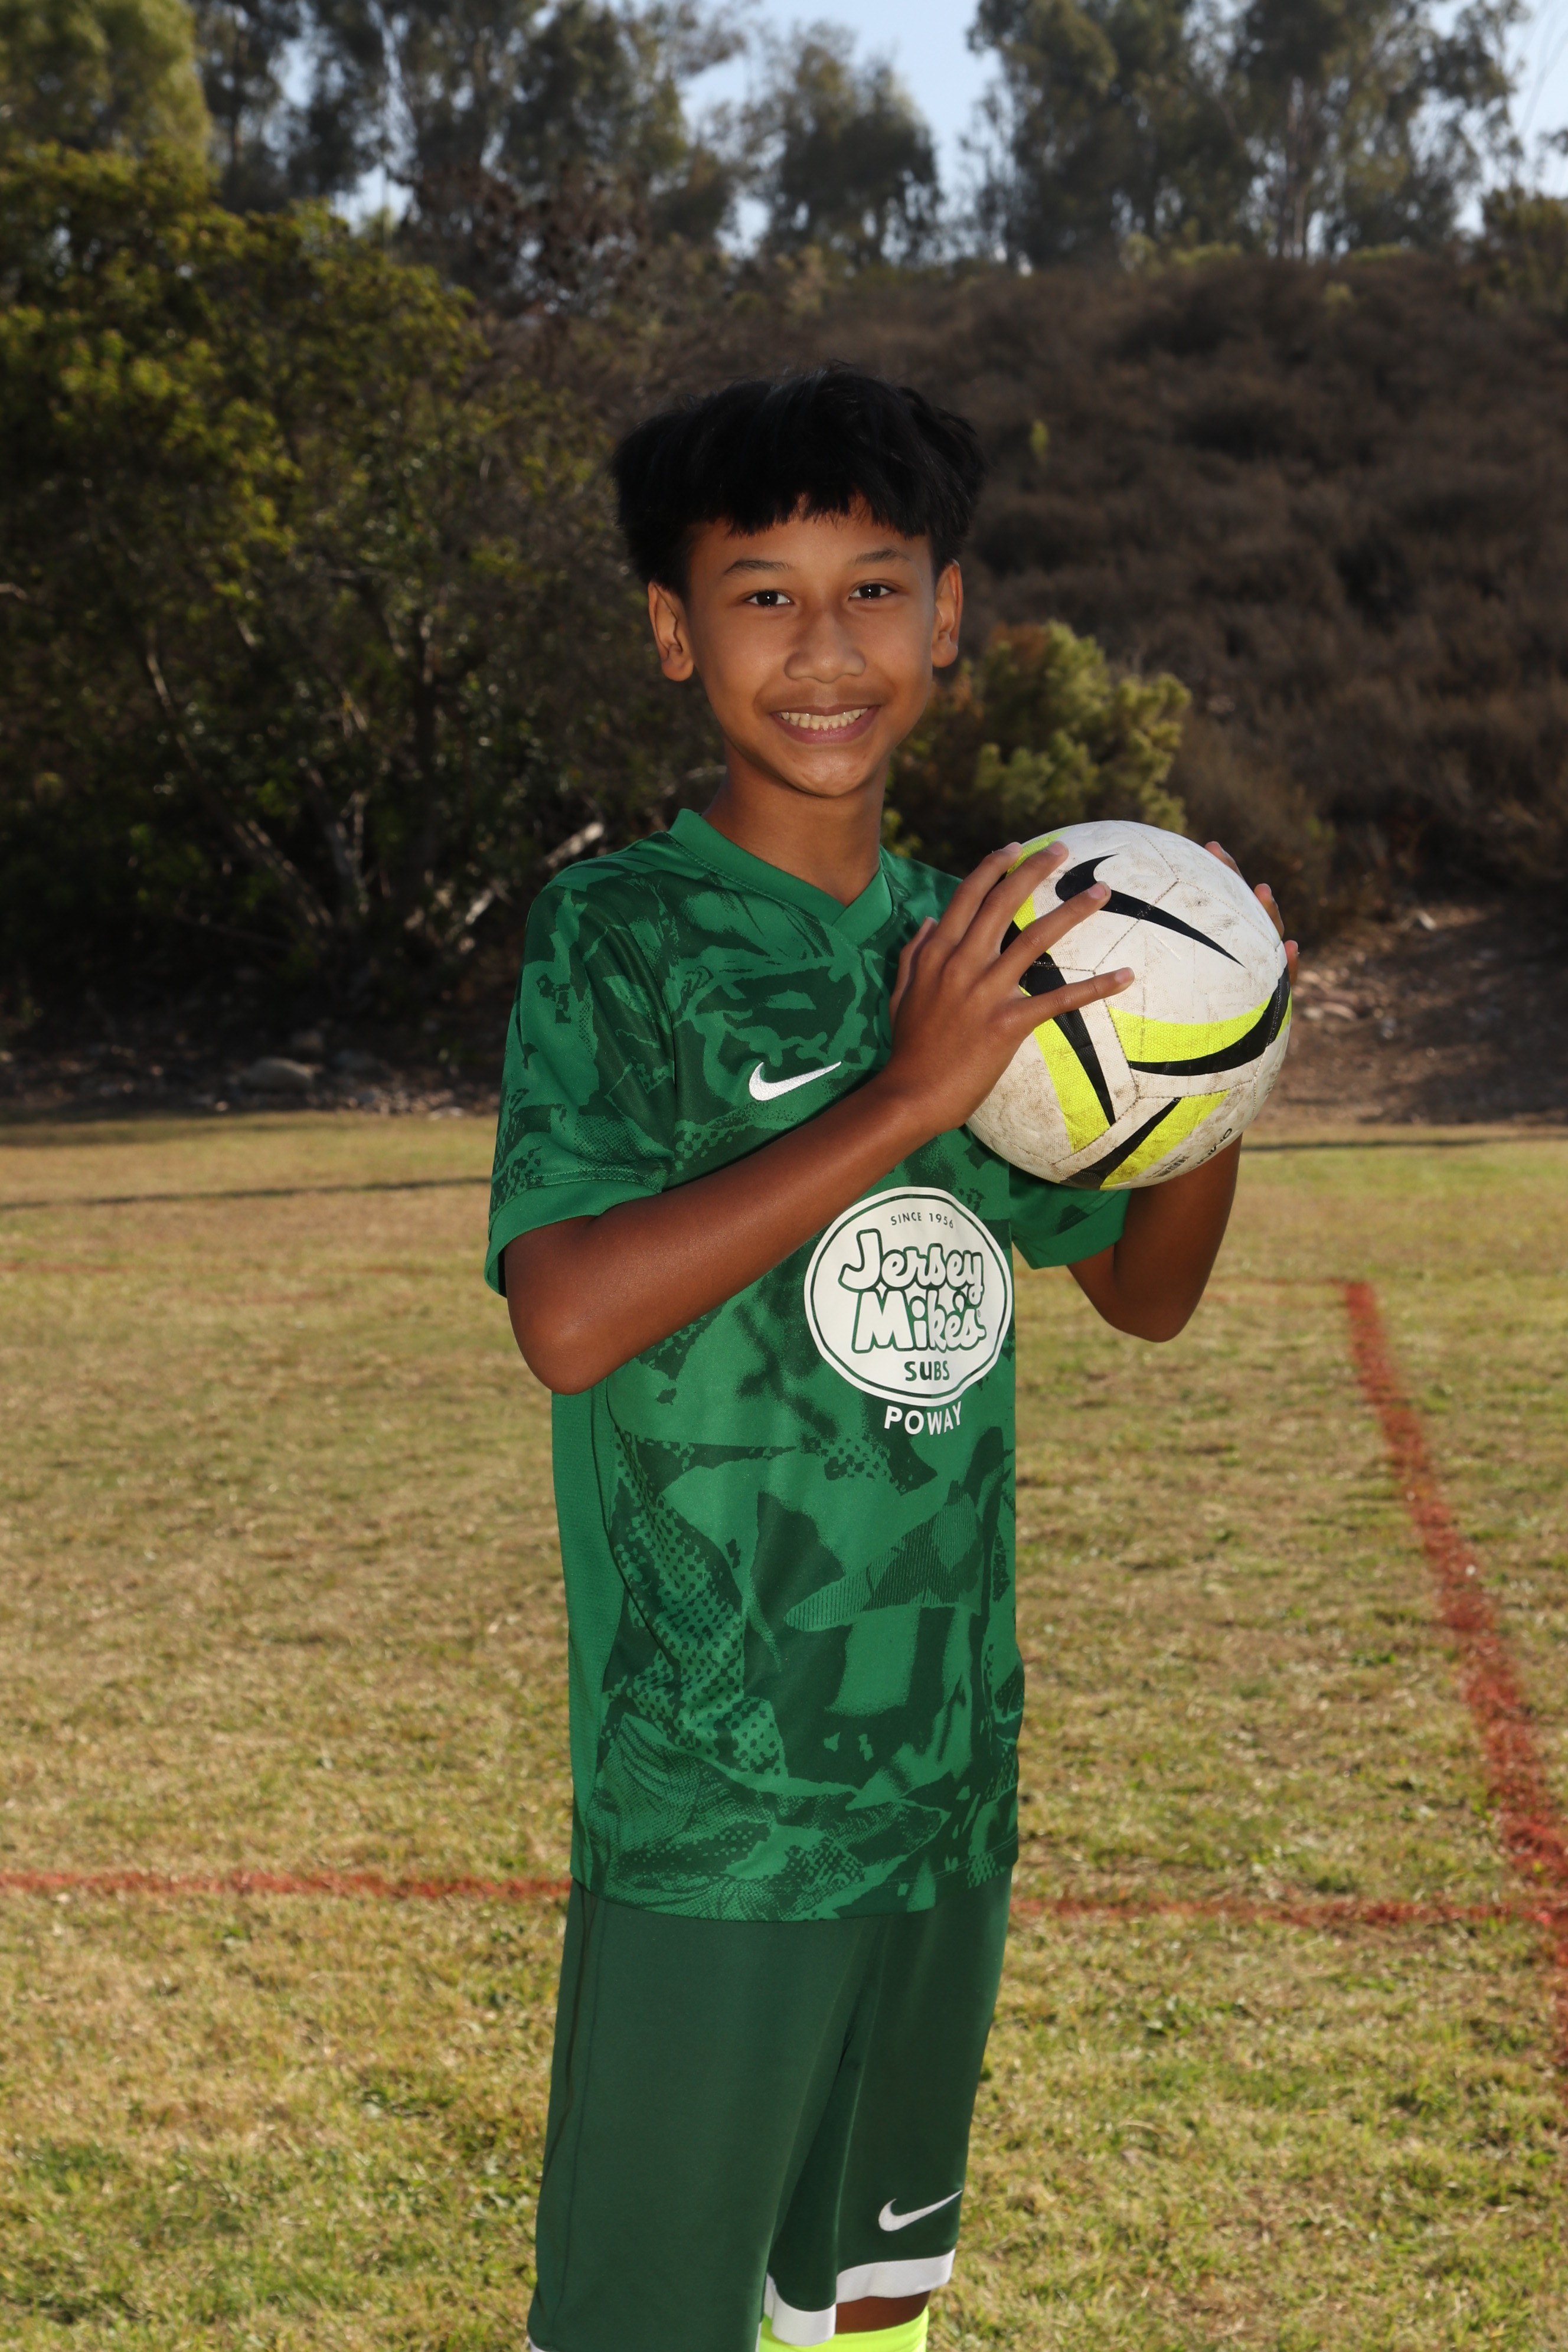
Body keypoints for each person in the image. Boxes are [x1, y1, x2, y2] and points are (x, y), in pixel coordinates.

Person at [485, 365, 1293, 2352]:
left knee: (863, 2307)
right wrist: (911, 1092)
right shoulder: (623, 934)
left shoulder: (991, 939)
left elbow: (1149, 1293)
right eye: (763, 596)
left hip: (942, 1779)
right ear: (675, 631)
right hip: (719, 1795)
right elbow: (570, 1318)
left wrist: (1209, 1063)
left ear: (950, 616)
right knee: (654, 2320)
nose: (825, 647)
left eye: (875, 589)